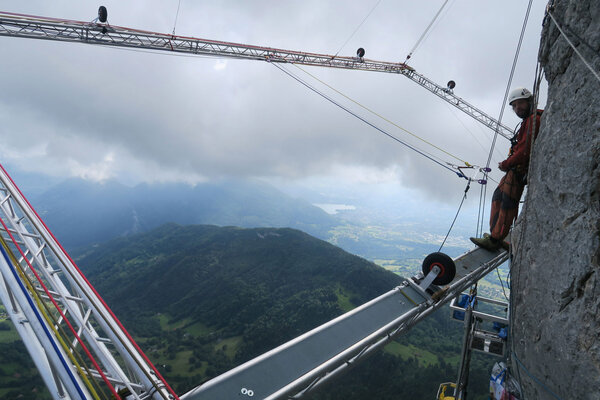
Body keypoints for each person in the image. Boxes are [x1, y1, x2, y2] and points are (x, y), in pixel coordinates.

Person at [470, 87, 543, 251]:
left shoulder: (533, 120)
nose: (518, 108)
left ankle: (495, 239)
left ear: (530, 102)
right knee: (498, 197)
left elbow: (524, 151)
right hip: (516, 169)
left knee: (507, 204)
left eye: (521, 104)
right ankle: (496, 234)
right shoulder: (529, 120)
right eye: (515, 106)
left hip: (519, 170)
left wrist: (506, 163)